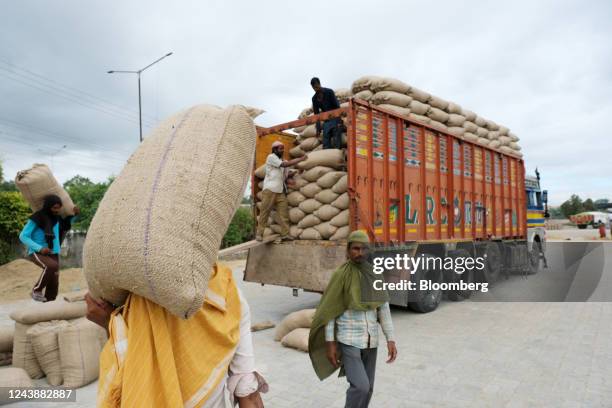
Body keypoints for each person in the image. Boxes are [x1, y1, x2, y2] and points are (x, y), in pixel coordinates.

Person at [85, 262, 267, 407]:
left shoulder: (139, 301)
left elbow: (129, 368)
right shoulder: (229, 294)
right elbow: (247, 391)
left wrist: (110, 322)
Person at [308, 231, 397, 408]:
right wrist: (330, 343)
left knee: (369, 388)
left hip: (371, 341)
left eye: (364, 249)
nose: (360, 253)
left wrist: (391, 338)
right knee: (361, 387)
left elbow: (383, 309)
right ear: (348, 251)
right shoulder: (340, 276)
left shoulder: (374, 275)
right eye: (355, 248)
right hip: (349, 340)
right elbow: (330, 311)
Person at [19, 194, 79, 302]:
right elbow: (23, 236)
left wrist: (74, 215)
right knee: (51, 266)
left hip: (53, 252)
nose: (57, 210)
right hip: (37, 252)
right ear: (48, 206)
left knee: (54, 280)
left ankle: (49, 303)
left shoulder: (57, 218)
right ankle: (36, 290)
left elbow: (65, 226)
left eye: (59, 207)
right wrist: (40, 248)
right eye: (54, 207)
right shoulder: (37, 217)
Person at [255, 141, 307, 242]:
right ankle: (259, 234)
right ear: (274, 150)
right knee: (265, 212)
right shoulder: (271, 157)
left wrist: (299, 171)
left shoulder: (283, 161)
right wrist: (300, 159)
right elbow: (284, 165)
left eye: (283, 148)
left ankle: (285, 234)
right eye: (280, 149)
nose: (282, 150)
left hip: (280, 191)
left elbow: (286, 175)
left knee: (284, 213)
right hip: (270, 190)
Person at [311, 77, 341, 149]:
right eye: (314, 88)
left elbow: (337, 107)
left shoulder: (329, 92)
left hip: (335, 118)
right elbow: (316, 115)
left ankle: (337, 154)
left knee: (336, 139)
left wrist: (339, 121)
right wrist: (318, 129)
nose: (316, 89)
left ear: (319, 84)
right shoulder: (314, 98)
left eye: (317, 86)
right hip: (326, 121)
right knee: (325, 141)